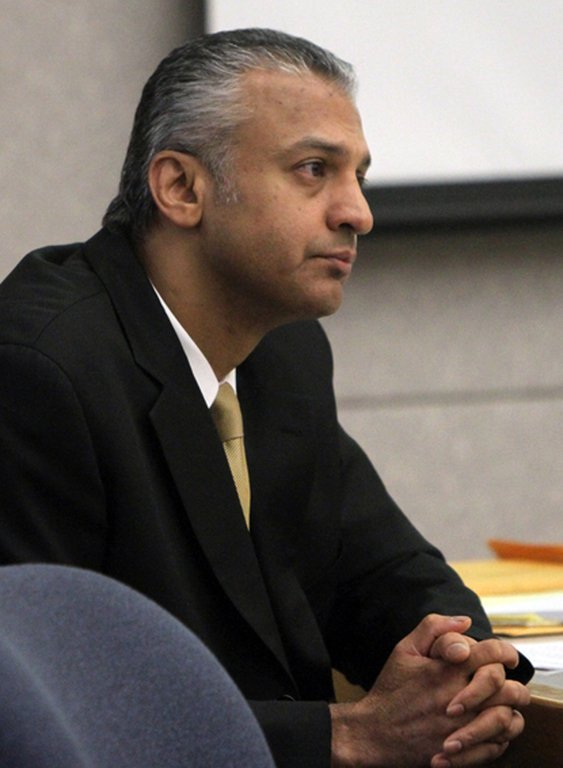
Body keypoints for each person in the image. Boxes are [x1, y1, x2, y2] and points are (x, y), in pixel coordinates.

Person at [0, 28, 531, 768]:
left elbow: (381, 568)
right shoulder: (37, 369)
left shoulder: (285, 349)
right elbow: (41, 700)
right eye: (314, 170)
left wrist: (468, 663)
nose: (357, 213)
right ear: (182, 188)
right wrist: (343, 736)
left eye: (359, 177)